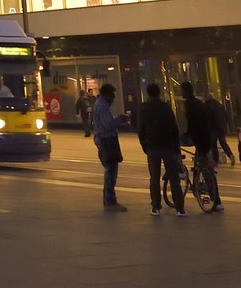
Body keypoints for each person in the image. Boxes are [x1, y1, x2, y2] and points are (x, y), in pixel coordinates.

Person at [137, 82, 186, 217]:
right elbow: (174, 127)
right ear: (159, 93)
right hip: (168, 146)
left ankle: (156, 206)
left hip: (152, 146)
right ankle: (180, 208)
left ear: (148, 93)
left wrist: (144, 146)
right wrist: (176, 147)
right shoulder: (165, 107)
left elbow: (140, 129)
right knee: (174, 177)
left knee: (154, 178)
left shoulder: (144, 108)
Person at [180, 82, 224, 211]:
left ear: (186, 91)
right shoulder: (200, 103)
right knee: (208, 169)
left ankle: (214, 198)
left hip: (200, 140)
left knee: (204, 168)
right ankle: (216, 199)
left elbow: (191, 123)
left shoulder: (189, 105)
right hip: (206, 139)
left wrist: (187, 135)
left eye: (182, 90)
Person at [91, 82, 128, 211]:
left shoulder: (101, 105)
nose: (113, 98)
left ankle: (109, 199)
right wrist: (120, 119)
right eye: (112, 95)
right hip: (106, 140)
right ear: (106, 94)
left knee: (111, 170)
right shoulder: (102, 107)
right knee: (111, 171)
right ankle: (110, 200)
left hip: (105, 140)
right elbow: (108, 125)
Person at [204, 92, 235, 166]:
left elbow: (206, 118)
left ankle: (215, 161)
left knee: (213, 145)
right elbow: (226, 116)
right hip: (222, 128)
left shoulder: (207, 106)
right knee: (223, 143)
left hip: (213, 128)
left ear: (207, 98)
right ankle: (230, 155)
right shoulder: (220, 105)